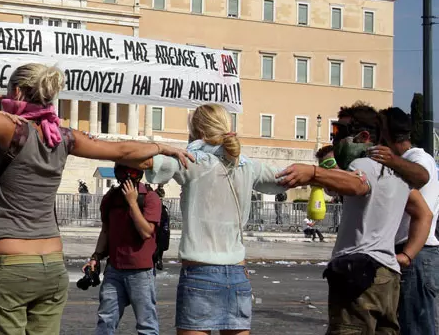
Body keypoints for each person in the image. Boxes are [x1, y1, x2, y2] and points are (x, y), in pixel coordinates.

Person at [0, 63, 192, 335]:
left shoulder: (11, 129)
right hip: (51, 263)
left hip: (10, 262)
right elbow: (120, 149)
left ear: (16, 91)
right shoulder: (63, 137)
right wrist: (160, 146)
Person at [124, 103, 290, 335]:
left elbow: (131, 156)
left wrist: (163, 147)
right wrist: (317, 173)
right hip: (237, 273)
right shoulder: (248, 165)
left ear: (199, 133)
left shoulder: (192, 161)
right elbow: (287, 178)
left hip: (200, 273)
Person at [277, 102, 433, 335]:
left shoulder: (363, 166)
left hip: (359, 274)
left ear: (363, 136)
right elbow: (424, 214)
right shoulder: (397, 173)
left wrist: (313, 173)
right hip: (387, 277)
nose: (336, 140)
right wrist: (407, 256)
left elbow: (357, 184)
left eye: (339, 133)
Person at [372, 107, 439, 335]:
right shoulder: (401, 160)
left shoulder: (418, 157)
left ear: (387, 133)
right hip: (407, 252)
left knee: (416, 325)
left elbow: (422, 175)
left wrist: (390, 160)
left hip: (417, 253)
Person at [88, 164, 161, 335]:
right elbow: (106, 230)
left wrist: (132, 203)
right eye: (122, 172)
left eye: (132, 172)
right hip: (114, 269)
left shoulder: (150, 198)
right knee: (106, 319)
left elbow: (146, 232)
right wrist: (96, 256)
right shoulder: (111, 198)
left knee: (146, 323)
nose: (127, 176)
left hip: (141, 271)